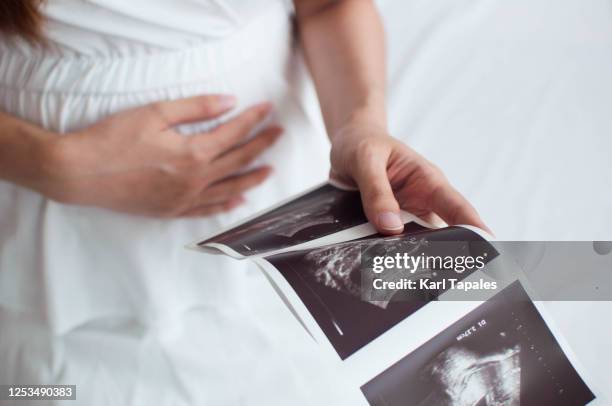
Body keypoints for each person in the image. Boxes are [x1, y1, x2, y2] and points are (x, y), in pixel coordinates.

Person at [0, 0, 489, 403]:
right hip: (55, 256)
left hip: (279, 214)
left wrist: (360, 124)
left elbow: (329, 6)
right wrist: (47, 164)